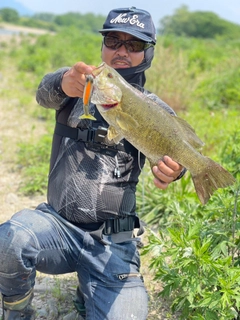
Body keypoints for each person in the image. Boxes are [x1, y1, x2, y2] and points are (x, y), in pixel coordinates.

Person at [0, 7, 185, 320]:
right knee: (11, 239)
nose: (122, 50)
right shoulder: (81, 84)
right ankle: (16, 312)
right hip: (58, 227)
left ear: (147, 53)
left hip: (114, 240)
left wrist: (176, 171)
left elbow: (174, 155)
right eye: (113, 40)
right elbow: (44, 93)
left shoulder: (157, 111)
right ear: (103, 45)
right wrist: (62, 82)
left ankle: (88, 292)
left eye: (134, 45)